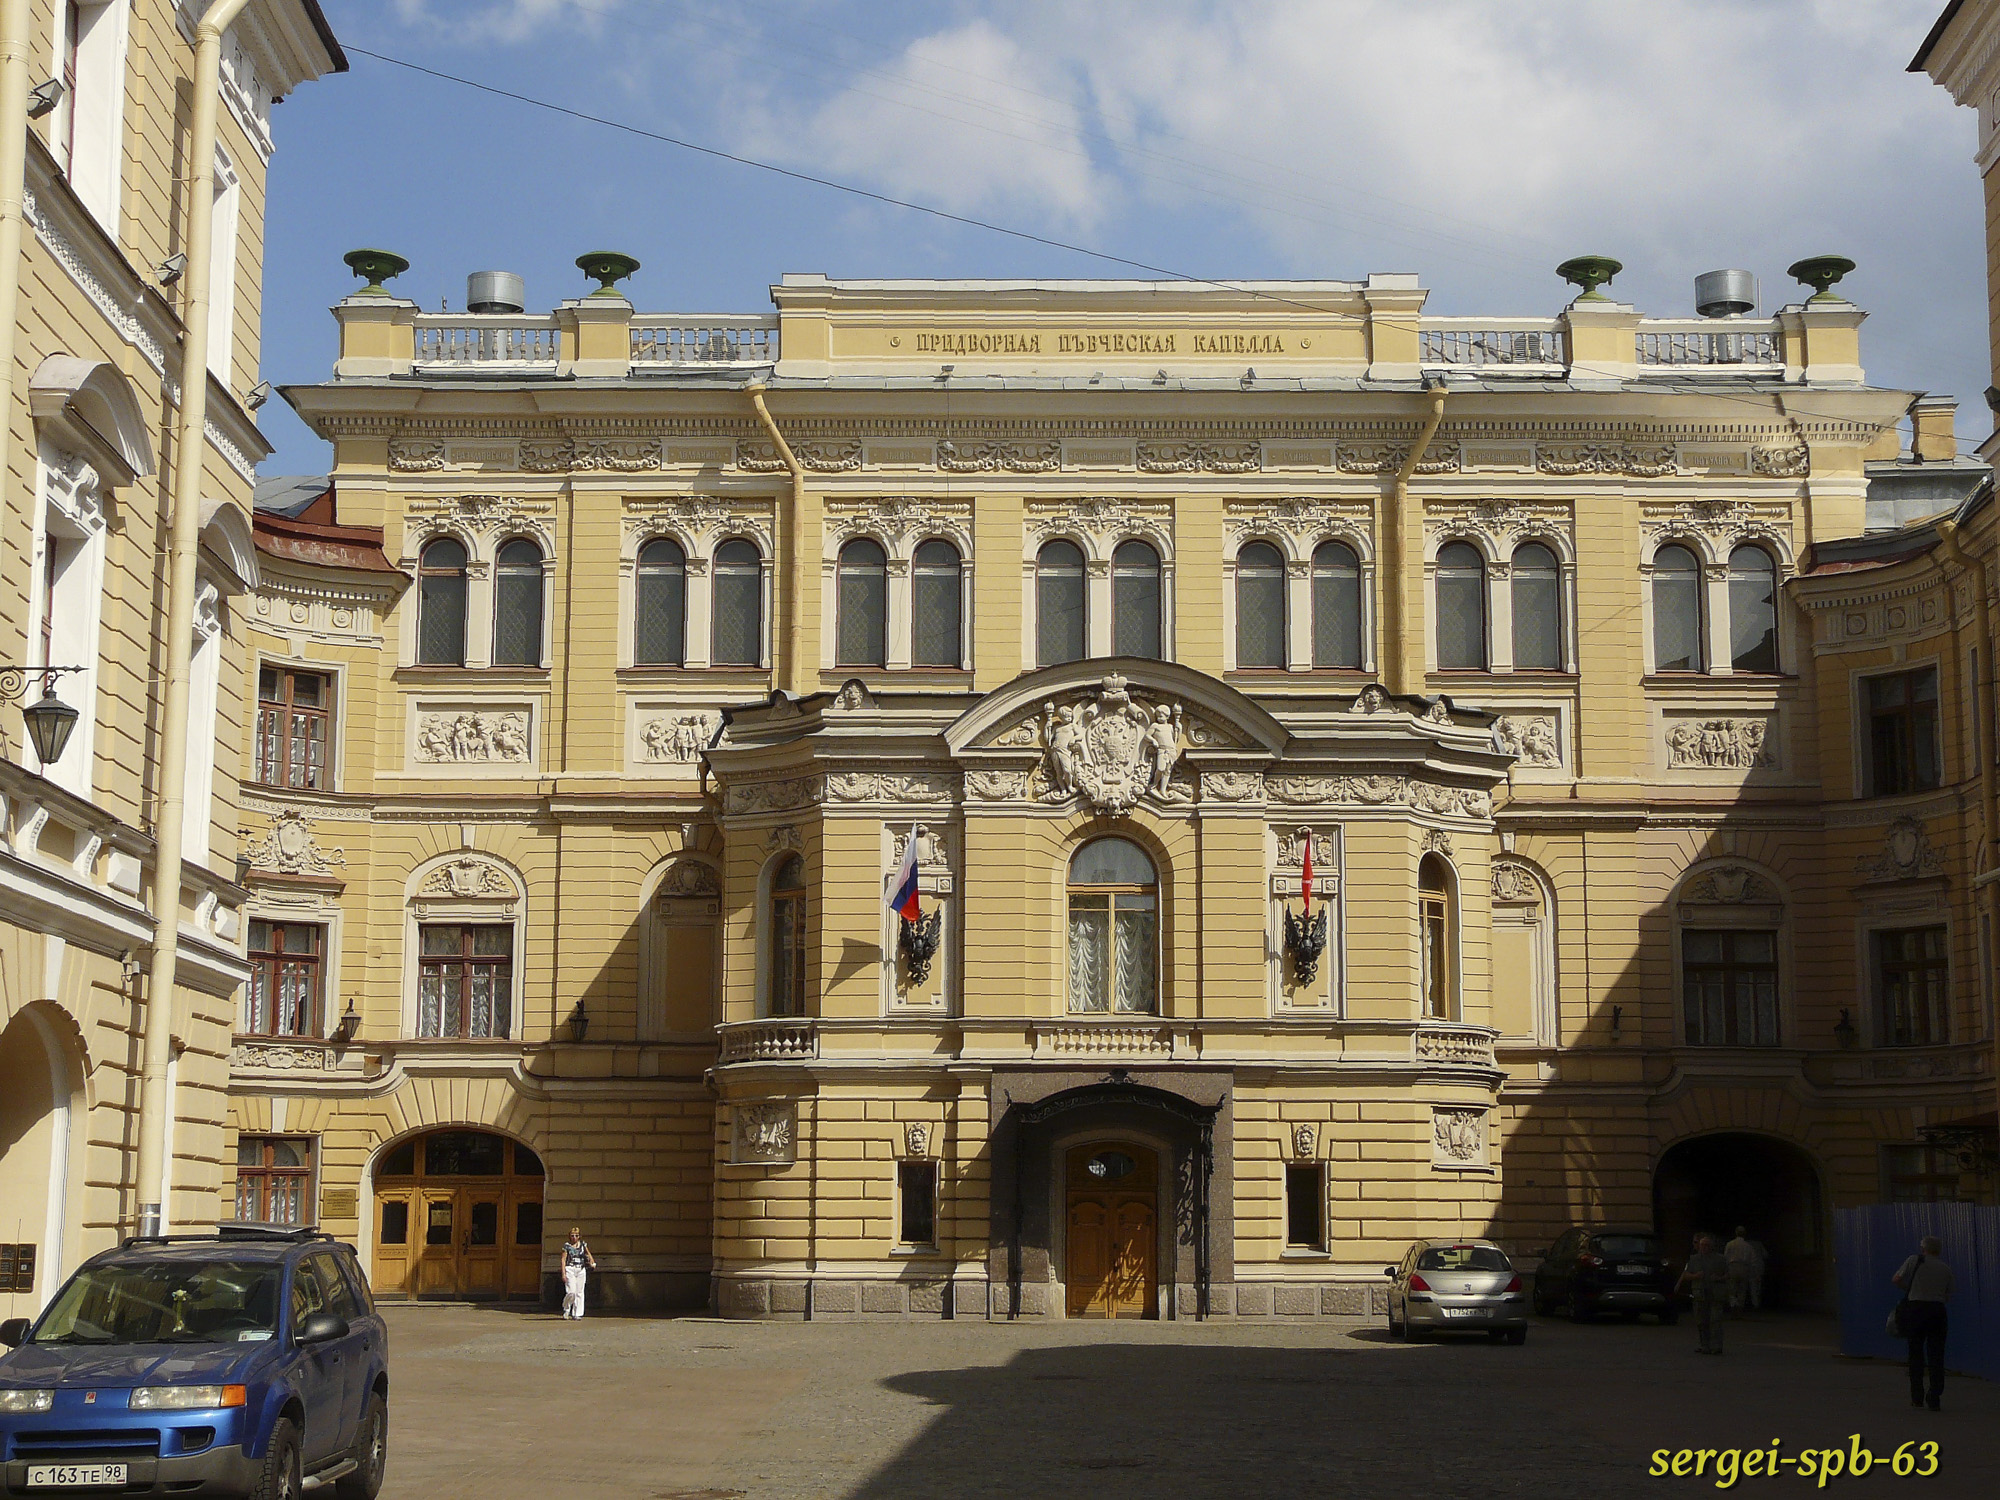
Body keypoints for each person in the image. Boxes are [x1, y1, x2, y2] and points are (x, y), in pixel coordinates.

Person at [1892, 1236, 1953, 1411]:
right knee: (1936, 1354)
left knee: (1915, 1353)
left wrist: (1911, 1289)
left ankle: (1917, 1396)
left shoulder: (1914, 1260)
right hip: (1937, 1311)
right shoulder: (1945, 1268)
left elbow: (1896, 1279)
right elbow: (1948, 1295)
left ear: (1923, 1248)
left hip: (1916, 1309)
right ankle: (1934, 1396)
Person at [1677, 1233, 1729, 1354]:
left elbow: (1728, 1274)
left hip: (1715, 1294)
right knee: (1701, 1321)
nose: (1704, 1247)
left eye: (1707, 1245)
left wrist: (1719, 1278)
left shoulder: (1720, 1259)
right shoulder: (1694, 1259)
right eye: (1702, 1245)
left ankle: (1716, 1346)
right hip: (1700, 1294)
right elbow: (1686, 1275)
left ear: (1712, 1247)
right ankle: (1704, 1345)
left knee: (1715, 1321)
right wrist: (1695, 1276)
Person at [560, 1226, 597, 1320]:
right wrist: (563, 1273)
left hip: (580, 1269)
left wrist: (592, 1262)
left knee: (579, 1292)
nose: (574, 1237)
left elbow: (588, 1253)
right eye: (572, 1235)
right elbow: (563, 1260)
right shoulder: (566, 1246)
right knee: (571, 1291)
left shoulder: (583, 1245)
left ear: (579, 1236)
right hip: (570, 1268)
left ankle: (577, 1313)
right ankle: (566, 1308)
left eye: (576, 1235)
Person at [1724, 1226, 1756, 1314]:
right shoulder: (1748, 1246)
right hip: (1744, 1268)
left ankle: (1733, 1306)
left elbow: (1726, 1257)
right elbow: (1753, 1260)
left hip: (1732, 1267)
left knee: (1732, 1289)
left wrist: (1725, 1270)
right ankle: (1740, 1308)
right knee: (1742, 1289)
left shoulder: (1730, 1244)